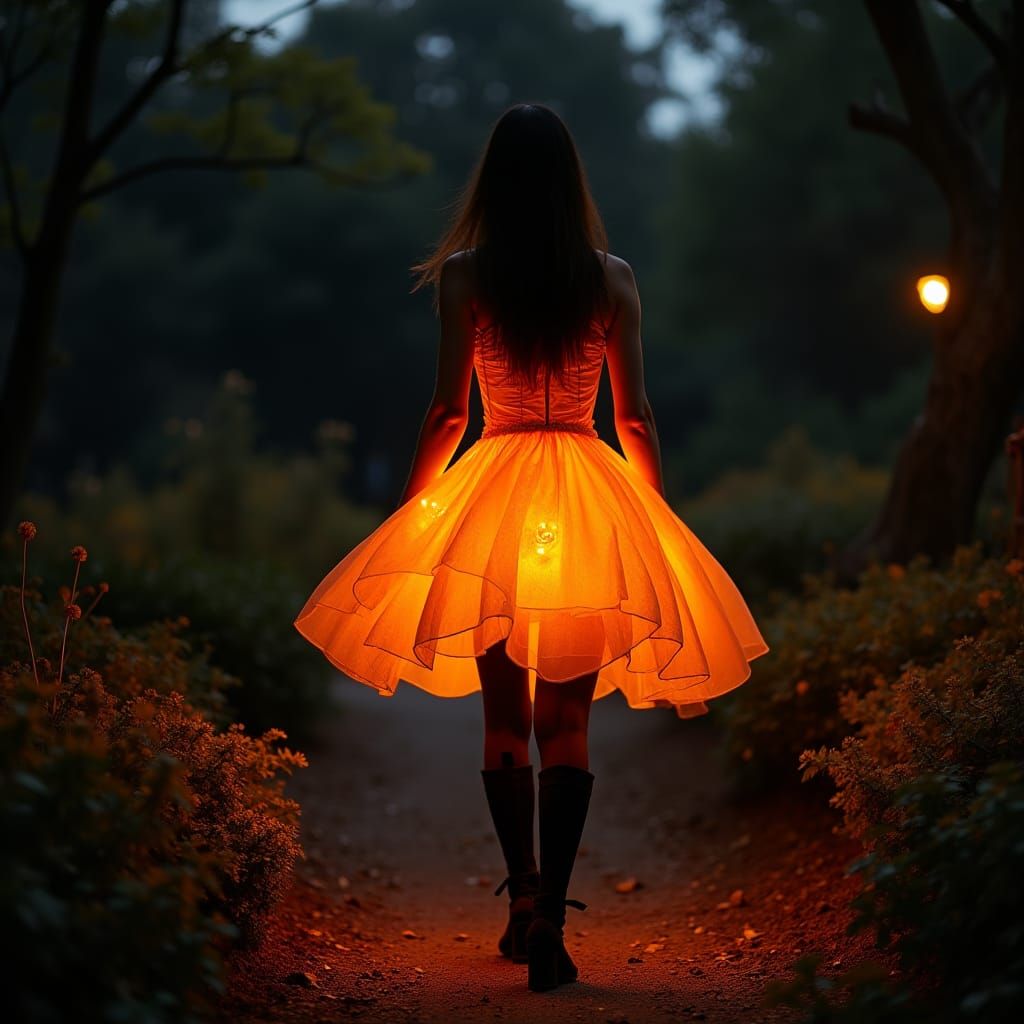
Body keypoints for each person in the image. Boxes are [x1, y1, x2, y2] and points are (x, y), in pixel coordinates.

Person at [293, 103, 769, 993]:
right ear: (571, 185)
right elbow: (634, 416)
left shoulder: (466, 277)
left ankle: (520, 901)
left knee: (504, 719)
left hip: (495, 496)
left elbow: (448, 412)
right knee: (569, 724)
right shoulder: (613, 278)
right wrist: (651, 517)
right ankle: (555, 914)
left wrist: (415, 512)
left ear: (493, 183)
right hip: (587, 499)